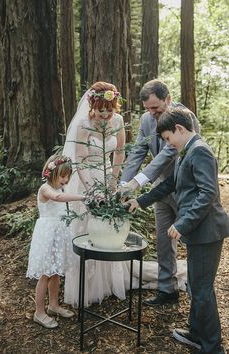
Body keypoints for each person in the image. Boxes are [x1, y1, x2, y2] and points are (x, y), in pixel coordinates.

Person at [125, 108, 229, 354]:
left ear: (180, 129)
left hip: (207, 233)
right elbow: (171, 183)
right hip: (199, 233)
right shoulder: (187, 151)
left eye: (169, 139)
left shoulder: (200, 151)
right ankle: (195, 333)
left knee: (202, 290)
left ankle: (213, 347)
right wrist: (141, 201)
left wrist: (182, 223)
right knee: (195, 284)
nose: (168, 144)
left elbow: (208, 194)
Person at [120, 79, 200, 306]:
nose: (151, 113)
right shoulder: (146, 120)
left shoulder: (185, 118)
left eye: (155, 107)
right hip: (160, 191)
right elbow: (137, 151)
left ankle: (197, 296)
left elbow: (169, 152)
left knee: (192, 242)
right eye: (147, 108)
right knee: (164, 240)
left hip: (186, 189)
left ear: (168, 98)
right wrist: (124, 184)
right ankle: (167, 289)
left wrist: (138, 182)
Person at [63, 81, 127, 307]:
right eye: (101, 110)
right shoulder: (83, 125)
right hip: (87, 180)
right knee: (87, 229)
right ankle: (89, 288)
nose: (105, 114)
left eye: (109, 110)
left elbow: (119, 152)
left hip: (108, 178)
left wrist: (112, 180)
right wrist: (92, 191)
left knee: (108, 229)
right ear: (92, 106)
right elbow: (79, 160)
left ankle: (109, 283)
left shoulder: (118, 121)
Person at [26, 154, 85, 328]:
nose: (66, 180)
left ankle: (53, 305)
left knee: (56, 272)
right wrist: (82, 197)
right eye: (63, 176)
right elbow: (57, 199)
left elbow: (62, 201)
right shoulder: (45, 189)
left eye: (68, 176)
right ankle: (39, 312)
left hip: (59, 234)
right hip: (47, 235)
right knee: (45, 274)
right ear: (51, 173)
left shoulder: (61, 189)